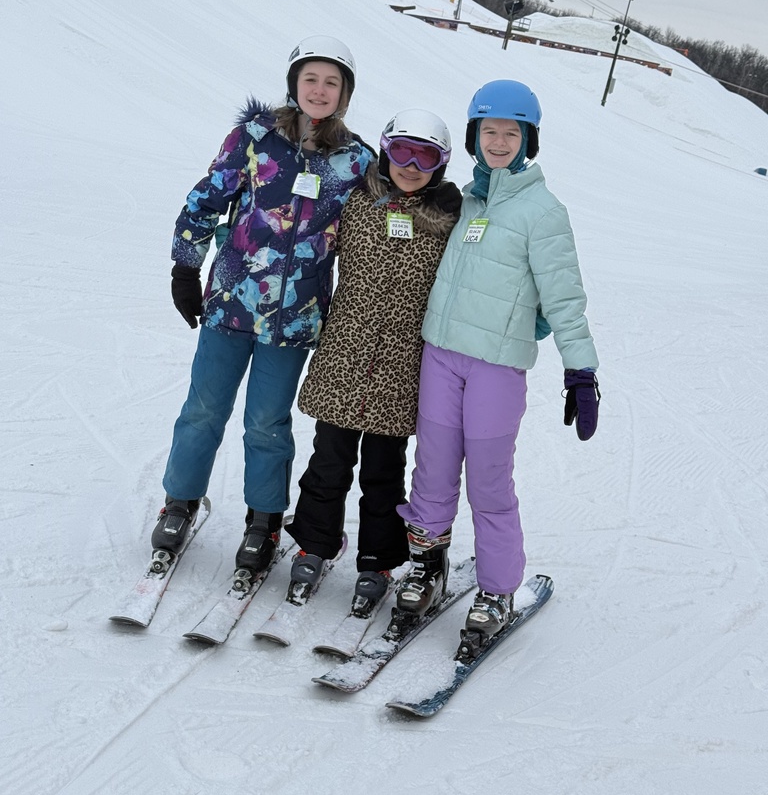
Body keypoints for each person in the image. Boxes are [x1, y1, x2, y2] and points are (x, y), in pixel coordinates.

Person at [150, 36, 374, 572]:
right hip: (230, 305)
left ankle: (264, 520)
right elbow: (206, 199)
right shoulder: (255, 137)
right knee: (203, 410)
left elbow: (375, 230)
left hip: (294, 318)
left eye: (332, 82)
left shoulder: (356, 160)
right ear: (294, 84)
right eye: (311, 78)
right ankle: (179, 502)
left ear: (344, 94)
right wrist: (186, 268)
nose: (319, 90)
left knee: (268, 422)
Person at [395, 79, 601, 648]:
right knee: (432, 470)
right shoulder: (466, 201)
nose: (500, 142)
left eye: (512, 133)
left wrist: (581, 370)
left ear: (529, 139)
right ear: (474, 137)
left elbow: (564, 297)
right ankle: (427, 566)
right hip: (441, 356)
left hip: (495, 369)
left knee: (488, 480)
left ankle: (497, 589)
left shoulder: (543, 211)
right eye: (490, 131)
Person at [282, 110, 462, 608]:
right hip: (345, 354)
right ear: (385, 151)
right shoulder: (358, 200)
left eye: (426, 157)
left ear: (441, 164)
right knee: (328, 460)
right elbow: (307, 237)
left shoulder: (449, 221)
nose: (411, 166)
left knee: (384, 471)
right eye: (402, 151)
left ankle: (379, 558)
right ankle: (315, 543)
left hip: (401, 367)